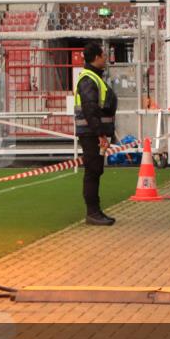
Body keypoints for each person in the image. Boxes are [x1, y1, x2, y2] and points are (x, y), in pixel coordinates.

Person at [74, 42, 118, 226]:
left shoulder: (93, 77)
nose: (106, 58)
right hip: (91, 134)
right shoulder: (89, 79)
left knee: (96, 171)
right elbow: (90, 109)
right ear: (96, 57)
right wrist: (100, 134)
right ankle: (92, 212)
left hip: (94, 133)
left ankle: (95, 211)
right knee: (93, 171)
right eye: (103, 55)